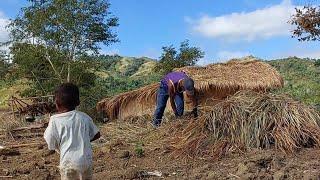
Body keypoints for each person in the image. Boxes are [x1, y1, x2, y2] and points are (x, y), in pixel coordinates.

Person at [44, 83, 100, 180]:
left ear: (56, 103)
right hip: (86, 162)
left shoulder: (54, 120)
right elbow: (97, 134)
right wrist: (83, 140)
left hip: (68, 163)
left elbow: (50, 142)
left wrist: (61, 145)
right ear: (78, 102)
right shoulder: (84, 117)